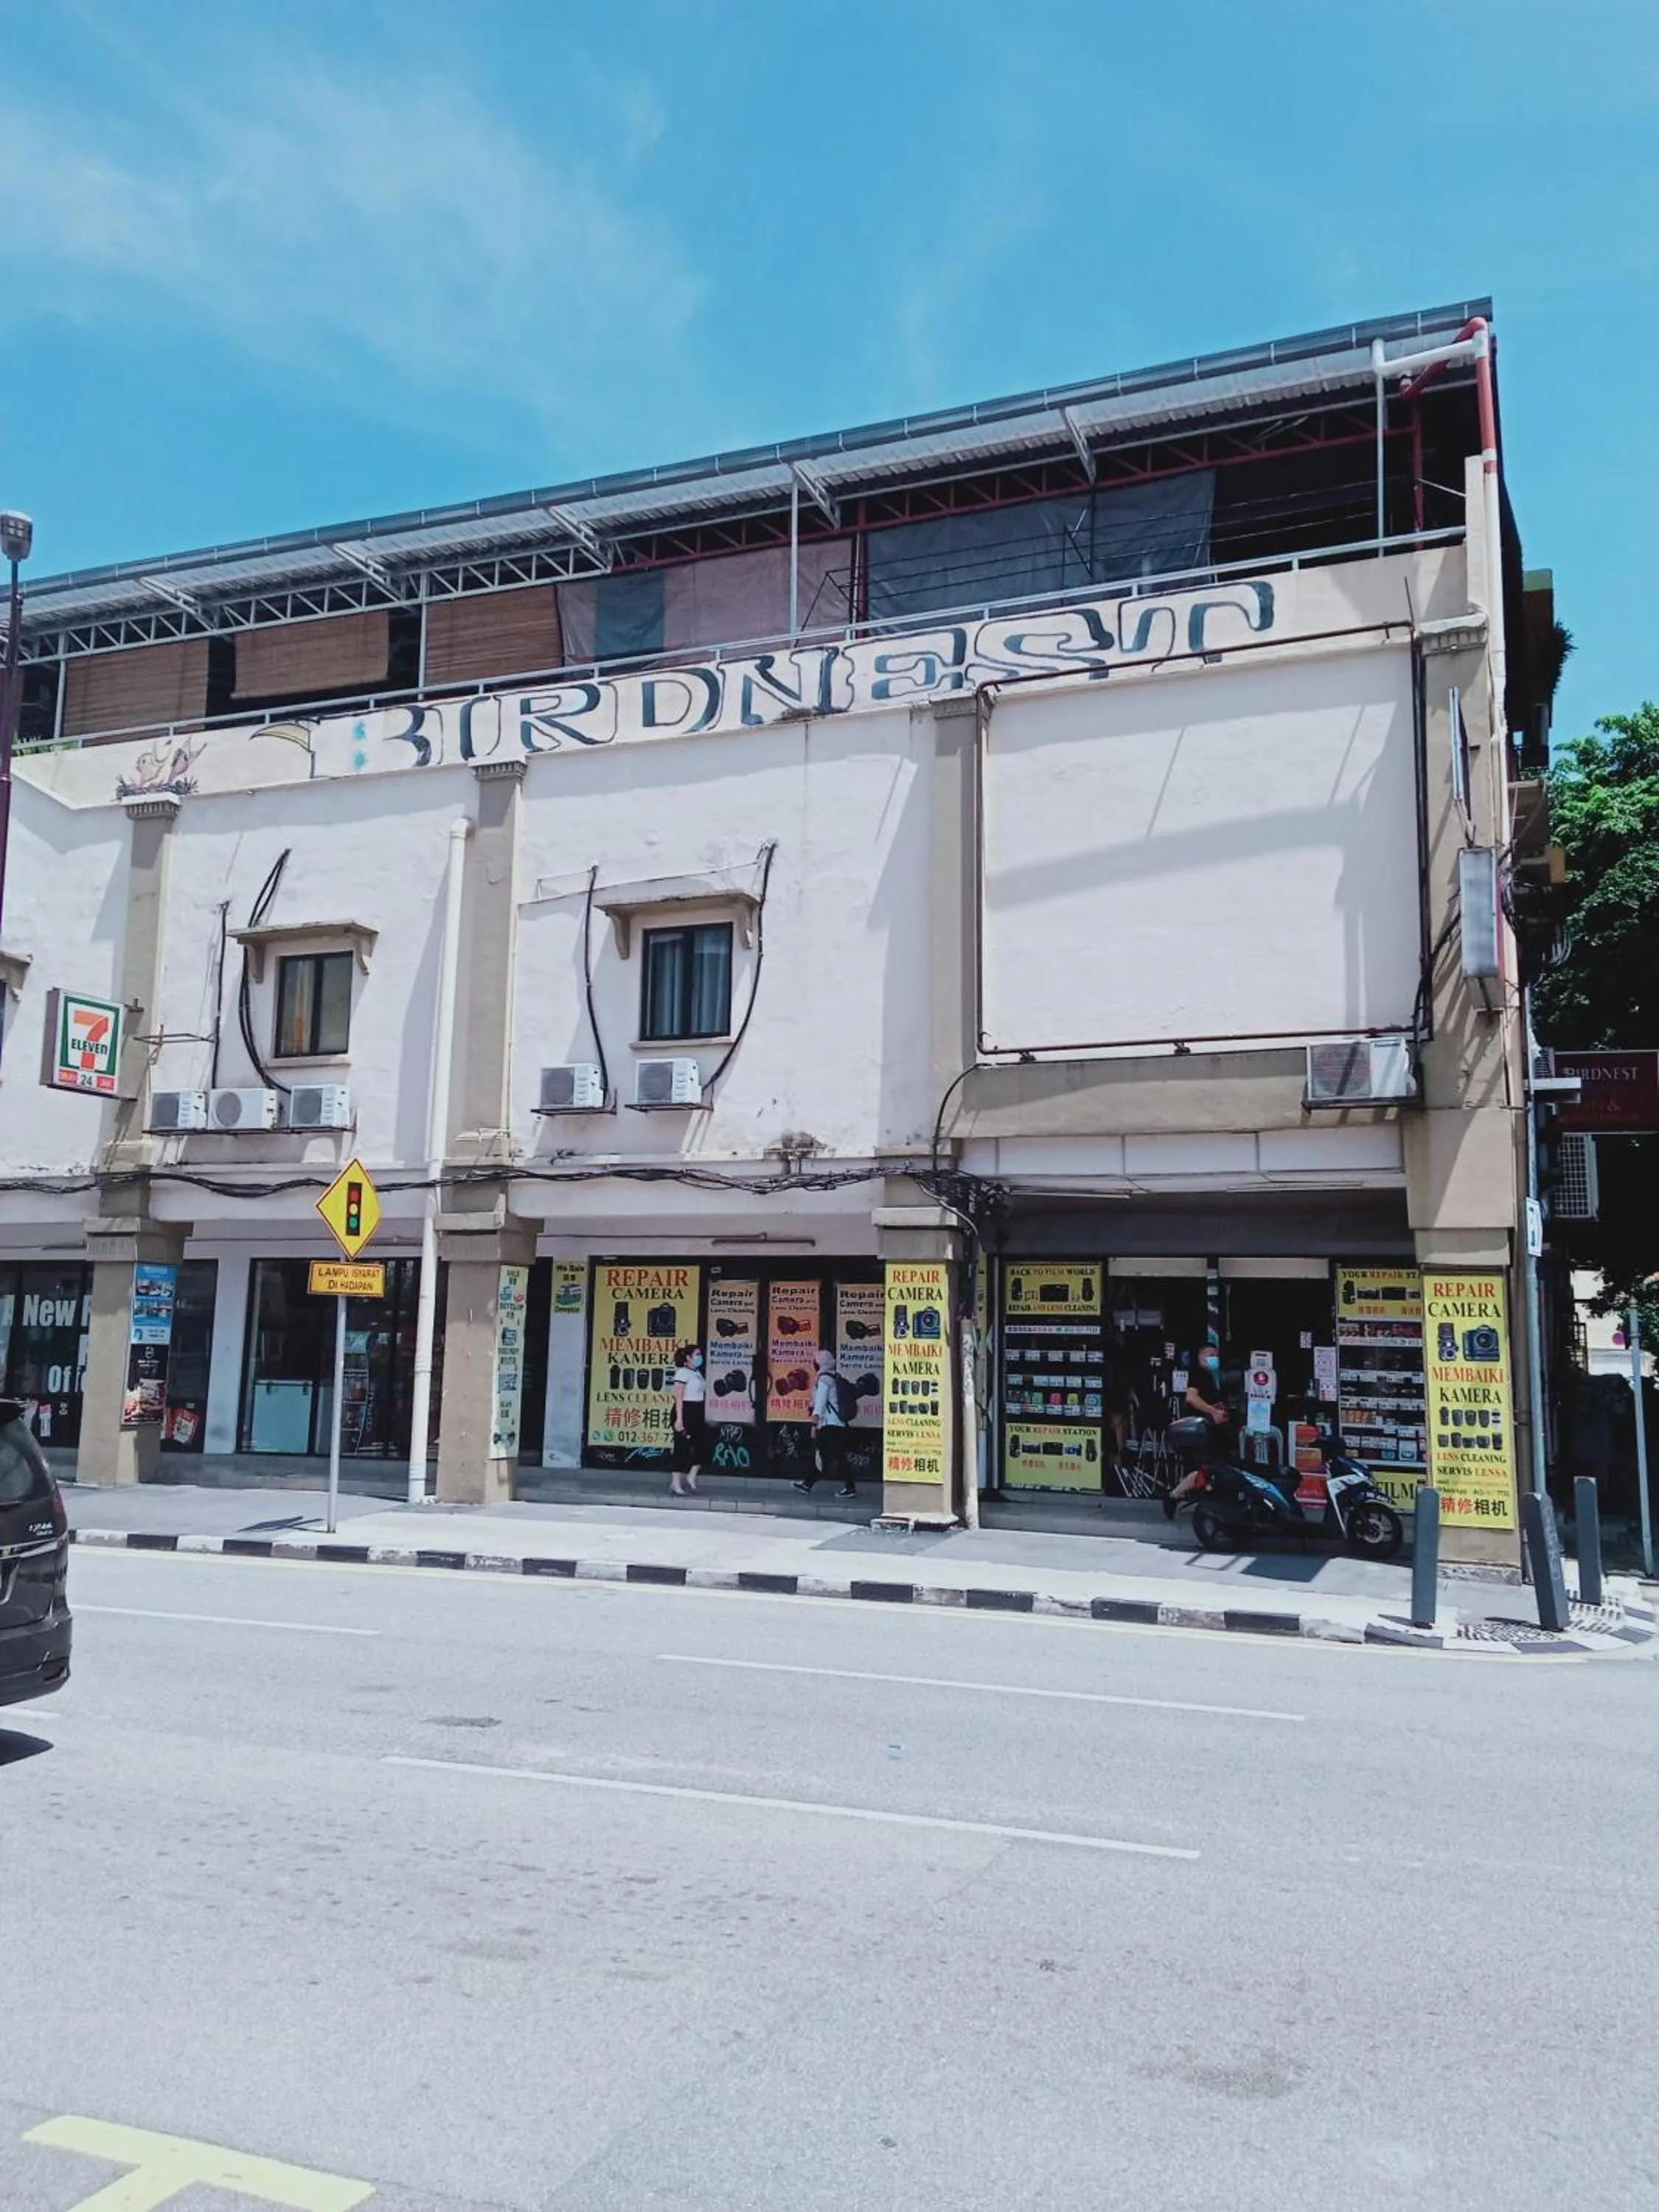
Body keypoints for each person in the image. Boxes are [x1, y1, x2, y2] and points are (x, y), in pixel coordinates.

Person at [1165, 1342, 1234, 1517]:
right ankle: (1174, 1495)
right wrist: (1212, 1411)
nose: (1215, 1359)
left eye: (1216, 1356)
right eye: (1211, 1356)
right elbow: (1191, 1398)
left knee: (1214, 1468)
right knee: (1207, 1468)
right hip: (1199, 1432)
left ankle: (1208, 1504)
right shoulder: (1198, 1374)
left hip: (1212, 1431)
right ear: (1201, 1358)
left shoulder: (1214, 1377)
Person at [794, 1349, 857, 1498]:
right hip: (837, 1424)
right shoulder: (834, 1377)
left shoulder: (823, 1379)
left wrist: (814, 1424)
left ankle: (850, 1488)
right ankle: (807, 1484)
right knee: (825, 1456)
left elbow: (820, 1403)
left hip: (828, 1425)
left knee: (833, 1456)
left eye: (816, 1361)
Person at [668, 1343, 707, 1497]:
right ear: (688, 1358)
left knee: (702, 1444)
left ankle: (692, 1475)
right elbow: (678, 1397)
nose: (699, 1358)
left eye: (700, 1355)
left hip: (697, 1410)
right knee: (681, 1447)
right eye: (697, 1355)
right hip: (685, 1410)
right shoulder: (682, 1373)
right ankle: (675, 1483)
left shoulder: (697, 1373)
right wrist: (679, 1418)